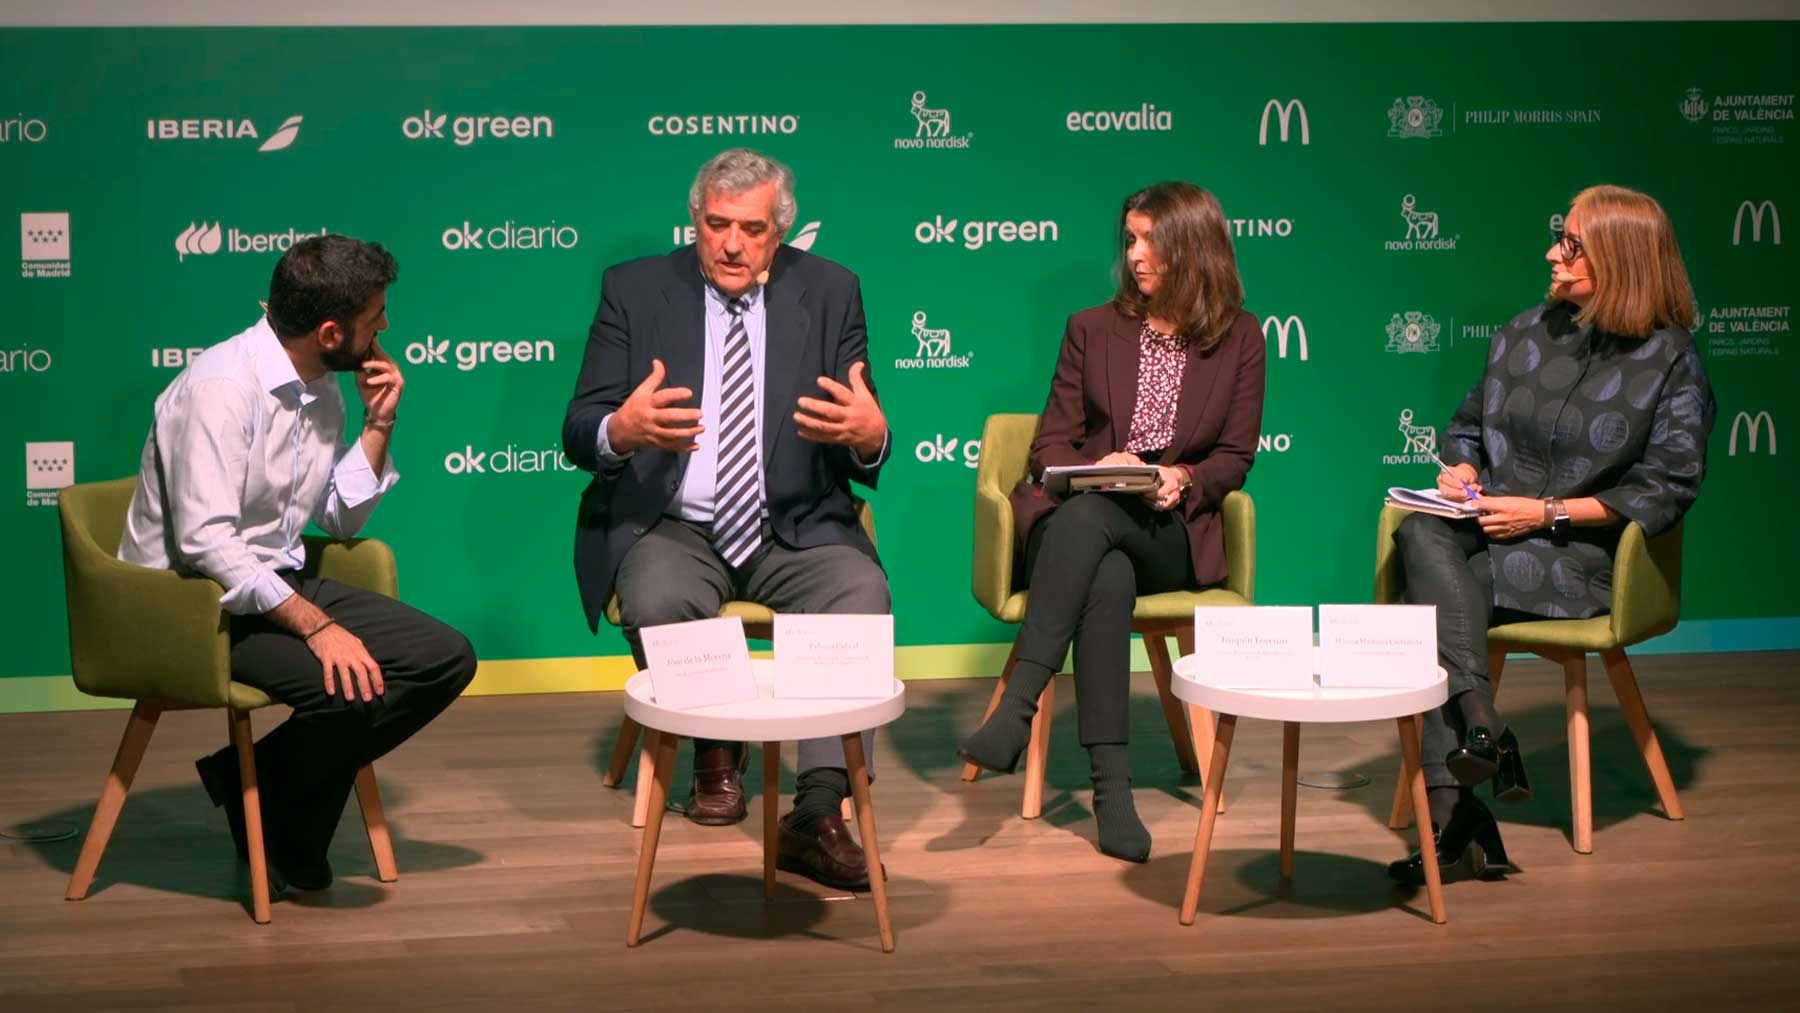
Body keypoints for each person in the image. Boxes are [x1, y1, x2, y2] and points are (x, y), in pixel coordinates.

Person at [562, 148, 891, 891]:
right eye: (715, 225)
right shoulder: (635, 290)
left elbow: (864, 429)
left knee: (860, 596)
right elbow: (578, 427)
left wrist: (872, 436)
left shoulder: (834, 291)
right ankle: (715, 753)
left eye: (750, 228)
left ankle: (817, 808)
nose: (731, 244)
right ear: (694, 220)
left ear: (781, 231)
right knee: (655, 594)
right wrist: (623, 425)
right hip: (677, 525)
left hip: (797, 525)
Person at [120, 235, 477, 893]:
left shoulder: (321, 389)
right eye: (376, 319)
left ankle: (245, 778)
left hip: (271, 581)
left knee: (445, 657)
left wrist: (379, 426)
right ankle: (283, 838)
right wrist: (317, 626)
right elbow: (206, 545)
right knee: (348, 692)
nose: (386, 329)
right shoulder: (222, 389)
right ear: (331, 331)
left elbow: (337, 519)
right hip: (188, 604)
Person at [1387, 184, 1715, 884]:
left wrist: (1549, 514)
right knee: (1421, 533)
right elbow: (1466, 427)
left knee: (1436, 597)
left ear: (1621, 258)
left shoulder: (1670, 360)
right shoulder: (1524, 333)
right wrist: (1464, 468)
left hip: (1579, 557)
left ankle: (1454, 812)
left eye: (1570, 245)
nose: (1551, 253)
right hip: (1492, 535)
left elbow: (1667, 485)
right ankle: (1483, 727)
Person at [958, 181, 1266, 862]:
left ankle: (1017, 707)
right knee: (1105, 565)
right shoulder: (1092, 328)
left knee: (1104, 534)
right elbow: (1051, 447)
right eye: (1128, 239)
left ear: (1192, 245)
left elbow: (1235, 456)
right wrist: (1111, 464)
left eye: (1148, 239)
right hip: (1084, 523)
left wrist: (1177, 477)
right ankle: (1111, 791)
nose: (1134, 255)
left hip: (1170, 528)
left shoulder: (1240, 336)